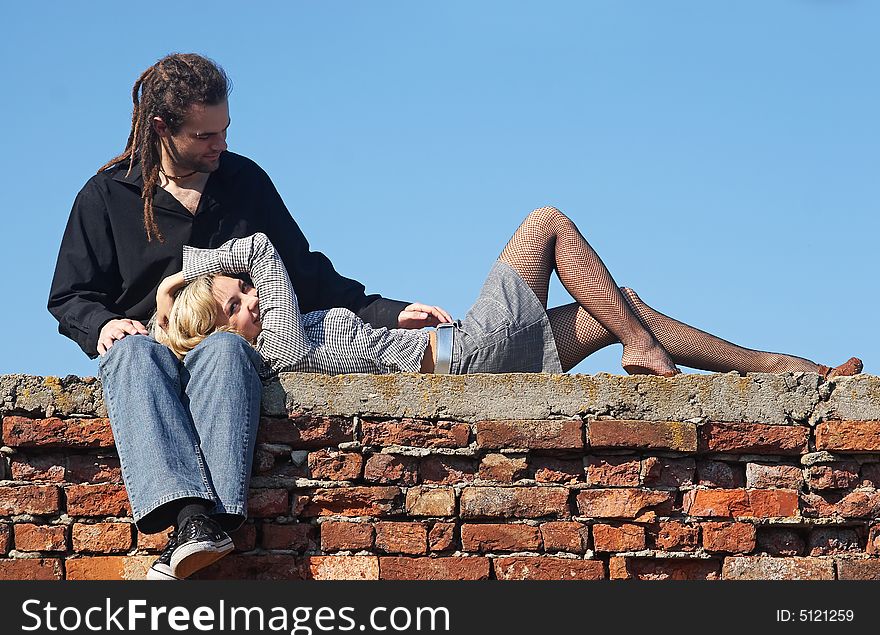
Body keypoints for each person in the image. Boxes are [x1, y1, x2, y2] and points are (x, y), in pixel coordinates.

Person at [47, 53, 446, 581]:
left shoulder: (245, 181)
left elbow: (306, 275)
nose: (221, 145)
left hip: (230, 355)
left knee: (227, 348)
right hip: (153, 352)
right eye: (206, 135)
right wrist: (102, 325)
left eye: (225, 129)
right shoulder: (104, 196)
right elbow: (70, 295)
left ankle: (206, 524)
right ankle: (191, 520)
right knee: (133, 354)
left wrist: (388, 312)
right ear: (162, 127)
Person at [155, 206, 863, 386]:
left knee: (620, 305)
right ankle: (644, 349)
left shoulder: (280, 339)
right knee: (547, 223)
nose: (252, 296)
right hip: (469, 356)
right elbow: (256, 247)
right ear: (220, 329)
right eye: (236, 302)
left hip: (468, 354)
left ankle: (782, 370)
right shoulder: (273, 344)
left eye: (247, 293)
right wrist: (188, 274)